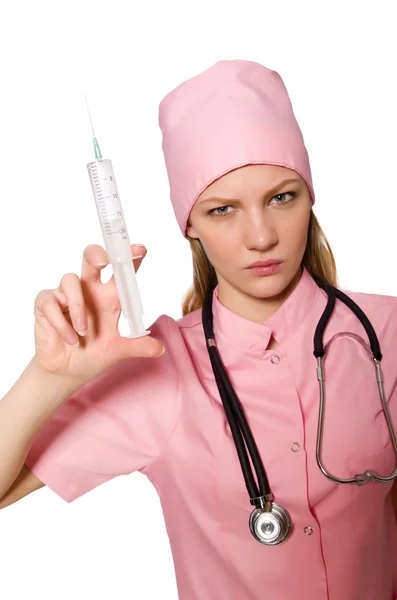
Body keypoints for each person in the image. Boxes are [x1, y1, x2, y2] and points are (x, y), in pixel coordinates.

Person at [0, 58, 397, 599]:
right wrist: (51, 376)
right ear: (189, 224)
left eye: (281, 197)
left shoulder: (387, 334)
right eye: (223, 210)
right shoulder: (159, 367)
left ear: (310, 197)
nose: (261, 236)